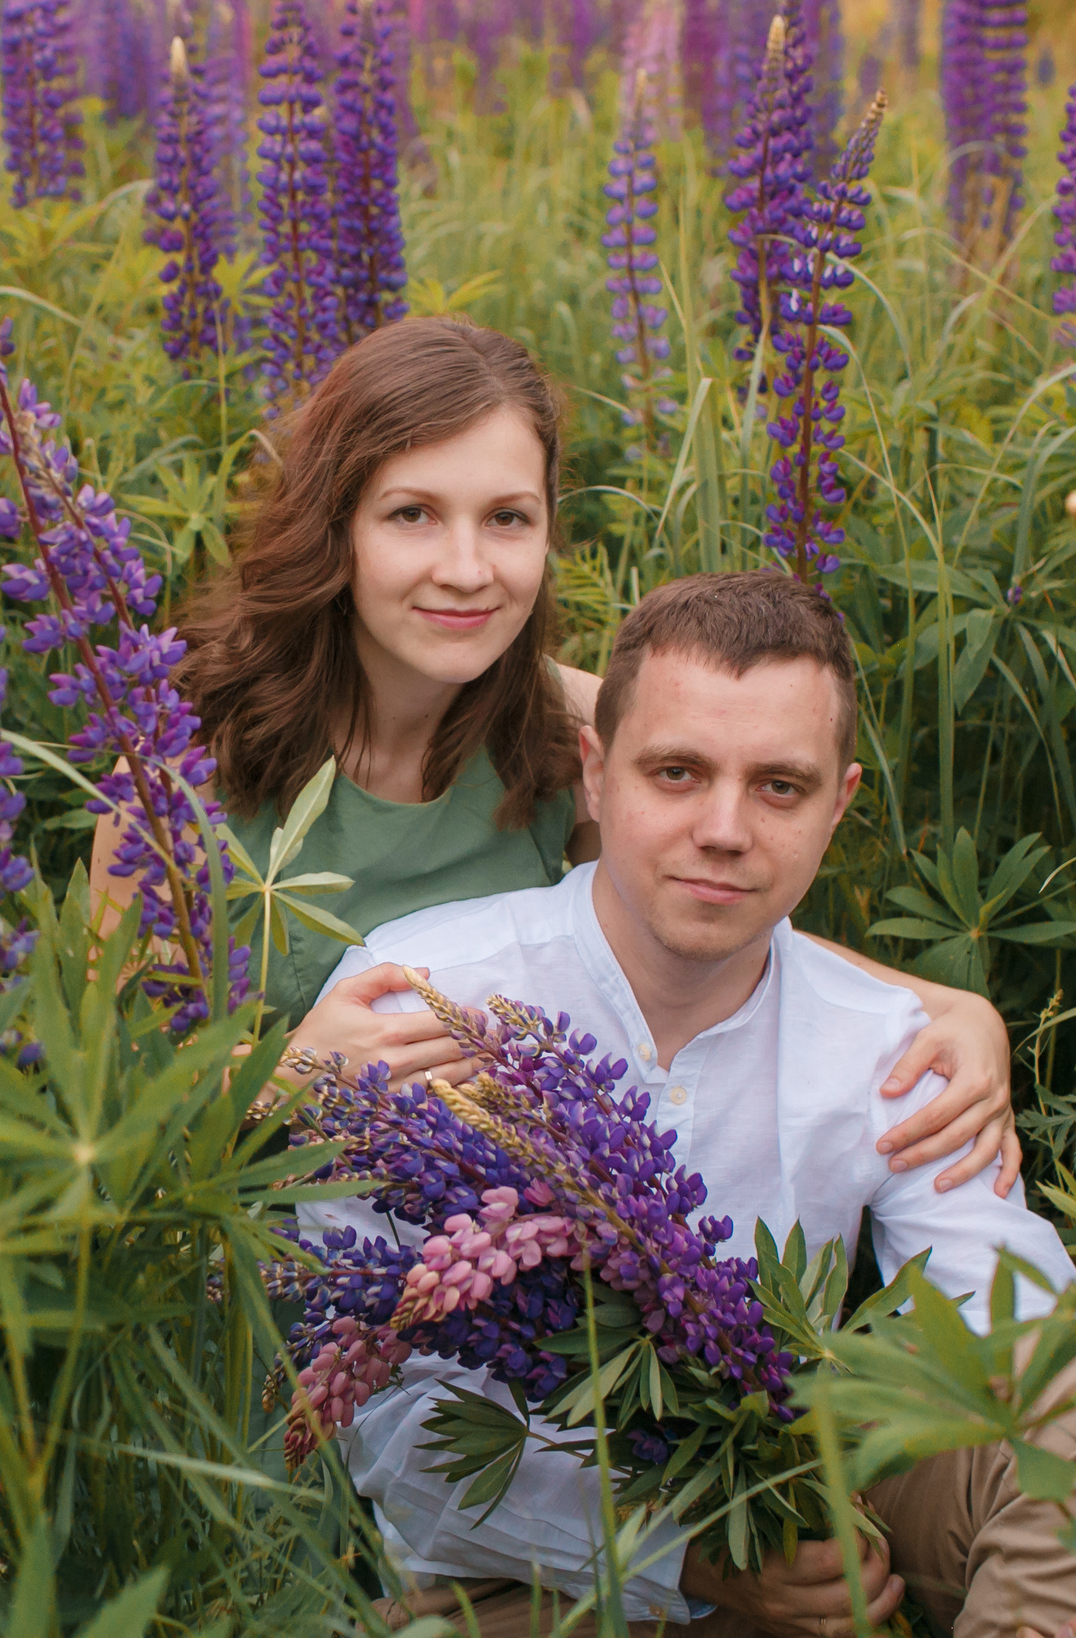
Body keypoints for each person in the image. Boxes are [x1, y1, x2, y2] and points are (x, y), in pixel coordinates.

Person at [301, 572, 1076, 1638]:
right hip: (532, 1581)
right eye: (678, 772)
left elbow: (1025, 1334)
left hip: (828, 1505)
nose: (725, 829)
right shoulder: (421, 994)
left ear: (840, 804)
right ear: (597, 776)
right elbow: (383, 1421)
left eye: (779, 787)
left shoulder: (891, 1042)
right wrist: (686, 1555)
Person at [95, 317, 1020, 1191]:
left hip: (509, 1251)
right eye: (412, 514)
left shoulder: (566, 721)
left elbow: (699, 909)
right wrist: (286, 1080)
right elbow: (106, 1108)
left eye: (507, 518)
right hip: (253, 1268)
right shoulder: (175, 764)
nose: (466, 567)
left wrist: (949, 1010)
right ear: (334, 526)